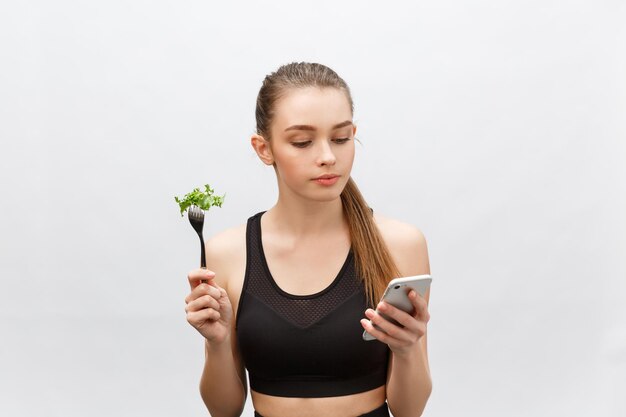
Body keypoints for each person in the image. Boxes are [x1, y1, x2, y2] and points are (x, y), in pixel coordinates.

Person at [184, 62, 432, 417]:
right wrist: (218, 344)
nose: (328, 157)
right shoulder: (227, 252)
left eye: (341, 138)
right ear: (263, 148)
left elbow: (410, 410)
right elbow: (224, 410)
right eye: (302, 142)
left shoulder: (400, 244)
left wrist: (408, 350)